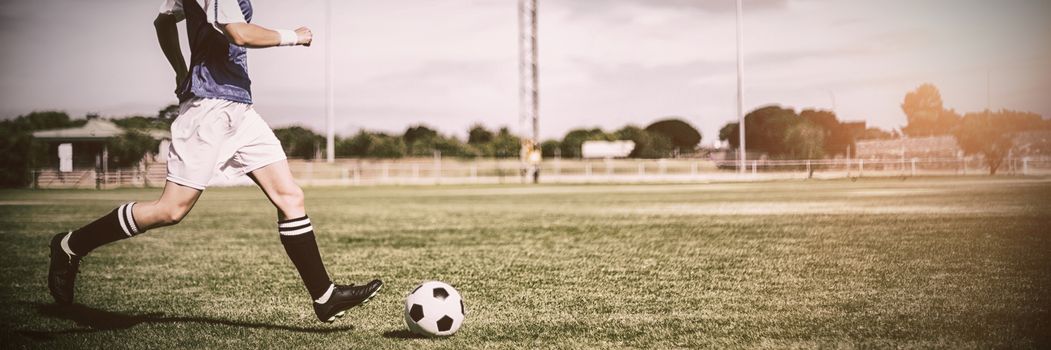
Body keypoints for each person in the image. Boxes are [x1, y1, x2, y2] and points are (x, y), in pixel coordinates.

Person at [47, 0, 382, 323]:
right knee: (170, 210)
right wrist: (294, 35)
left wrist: (182, 70)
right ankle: (70, 244)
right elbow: (238, 32)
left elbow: (163, 20)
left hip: (240, 108)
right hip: (208, 108)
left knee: (290, 196)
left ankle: (324, 296)